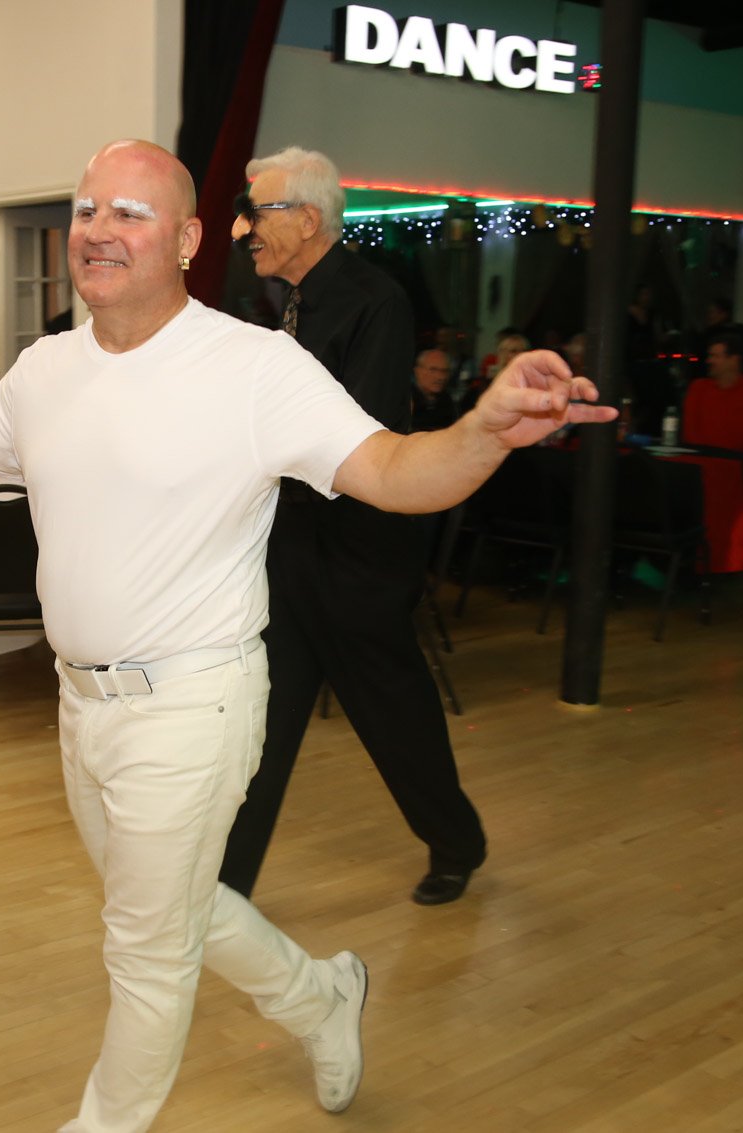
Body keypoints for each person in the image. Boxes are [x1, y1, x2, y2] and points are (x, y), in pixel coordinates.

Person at [0, 139, 613, 1133]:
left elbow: (396, 472)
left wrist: (484, 431)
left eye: (130, 213)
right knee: (173, 907)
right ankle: (319, 995)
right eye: (87, 209)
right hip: (82, 706)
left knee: (145, 949)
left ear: (189, 239)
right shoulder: (48, 367)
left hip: (192, 701)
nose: (98, 230)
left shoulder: (252, 366)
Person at [219, 145, 487, 907]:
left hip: (360, 552)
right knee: (262, 724)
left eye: (257, 212)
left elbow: (354, 435)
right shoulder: (288, 303)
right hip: (293, 543)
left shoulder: (376, 299)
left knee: (393, 713)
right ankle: (225, 888)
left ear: (307, 219)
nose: (244, 229)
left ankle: (457, 844)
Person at [682, 330, 743, 493]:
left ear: (734, 360)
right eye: (709, 356)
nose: (709, 361)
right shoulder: (698, 389)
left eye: (715, 356)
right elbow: (690, 431)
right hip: (702, 465)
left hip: (740, 467)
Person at [410, 346, 459, 431]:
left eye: (444, 371)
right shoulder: (405, 401)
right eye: (433, 370)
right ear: (417, 371)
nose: (440, 377)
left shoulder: (449, 403)